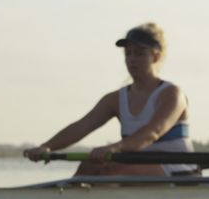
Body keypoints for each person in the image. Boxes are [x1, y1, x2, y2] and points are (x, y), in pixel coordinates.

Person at [24, 23, 195, 176]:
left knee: (115, 171)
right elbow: (82, 126)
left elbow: (152, 133)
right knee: (88, 166)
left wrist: (115, 147)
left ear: (155, 57)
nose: (132, 60)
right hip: (136, 165)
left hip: (177, 167)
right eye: (128, 54)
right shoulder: (114, 99)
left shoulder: (172, 94)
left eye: (139, 54)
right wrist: (47, 146)